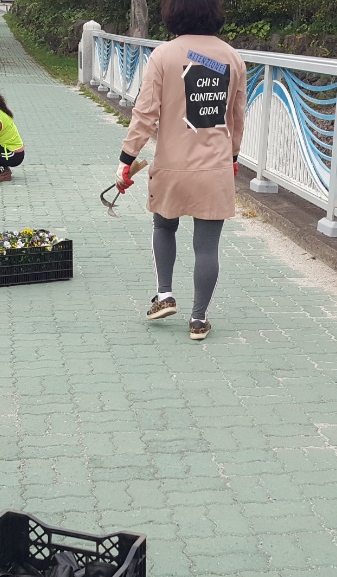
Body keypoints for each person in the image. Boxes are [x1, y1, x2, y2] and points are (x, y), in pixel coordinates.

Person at [117, 0, 245, 341]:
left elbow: (145, 114)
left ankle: (164, 295)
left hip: (172, 165)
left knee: (163, 226)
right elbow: (237, 116)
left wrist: (127, 158)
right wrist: (233, 156)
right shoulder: (232, 58)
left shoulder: (164, 55)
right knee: (206, 248)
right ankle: (199, 320)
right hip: (215, 166)